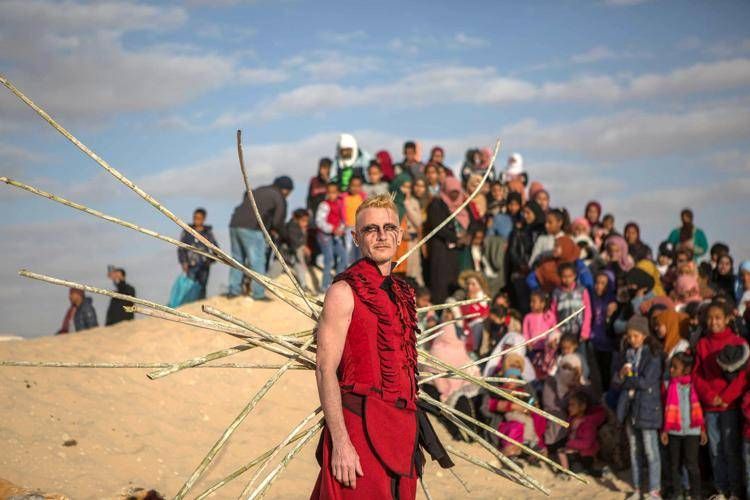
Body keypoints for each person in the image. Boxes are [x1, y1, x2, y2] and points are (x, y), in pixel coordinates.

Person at [311, 194, 453, 499]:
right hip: (358, 431)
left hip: (401, 434)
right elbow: (325, 370)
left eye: (389, 228)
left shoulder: (406, 293)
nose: (381, 236)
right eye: (371, 229)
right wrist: (341, 443)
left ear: (400, 235)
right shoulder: (342, 292)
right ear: (356, 238)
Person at [693, 300, 747, 499]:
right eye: (710, 318)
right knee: (715, 450)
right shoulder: (702, 344)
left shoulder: (738, 343)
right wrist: (710, 397)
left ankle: (734, 491)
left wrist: (725, 398)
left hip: (730, 406)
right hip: (710, 407)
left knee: (731, 450)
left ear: (727, 319)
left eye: (717, 317)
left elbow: (743, 378)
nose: (713, 322)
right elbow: (696, 375)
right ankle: (721, 489)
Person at [612, 315, 663, 500]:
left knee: (651, 450)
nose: (632, 339)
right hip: (630, 408)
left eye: (635, 336)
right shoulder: (626, 355)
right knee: (634, 450)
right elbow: (616, 383)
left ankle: (654, 489)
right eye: (629, 336)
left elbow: (645, 382)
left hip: (648, 408)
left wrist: (627, 379)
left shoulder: (653, 355)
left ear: (644, 335)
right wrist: (621, 374)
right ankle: (637, 487)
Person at [228, 176, 293, 300]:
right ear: (286, 190)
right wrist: (285, 237)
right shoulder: (279, 197)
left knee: (237, 259)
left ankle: (233, 291)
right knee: (257, 260)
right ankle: (258, 293)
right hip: (252, 228)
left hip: (234, 224)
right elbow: (278, 221)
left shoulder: (261, 190)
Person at [660, 352, 706, 500]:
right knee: (675, 464)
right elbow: (664, 409)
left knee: (692, 464)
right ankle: (678, 492)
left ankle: (696, 493)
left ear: (686, 369)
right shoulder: (668, 385)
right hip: (674, 431)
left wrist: (702, 430)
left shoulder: (695, 385)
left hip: (693, 431)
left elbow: (700, 409)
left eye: (675, 367)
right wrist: (665, 431)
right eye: (670, 367)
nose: (671, 370)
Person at [424, 177, 468, 303]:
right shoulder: (436, 204)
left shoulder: (461, 205)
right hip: (440, 251)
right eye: (451, 191)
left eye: (457, 191)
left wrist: (466, 236)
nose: (454, 195)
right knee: (440, 283)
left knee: (453, 283)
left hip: (454, 253)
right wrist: (456, 238)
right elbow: (437, 226)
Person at [560, 390, 606, 475]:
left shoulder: (588, 423)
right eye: (569, 405)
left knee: (577, 468)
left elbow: (586, 444)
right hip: (575, 451)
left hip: (585, 454)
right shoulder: (572, 420)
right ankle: (566, 472)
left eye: (573, 405)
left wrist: (570, 444)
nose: (569, 408)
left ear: (582, 406)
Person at [178, 207, 219, 300]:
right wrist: (184, 262)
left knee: (202, 287)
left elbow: (215, 248)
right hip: (191, 265)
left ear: (204, 219)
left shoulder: (207, 233)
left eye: (199, 218)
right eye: (195, 218)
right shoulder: (188, 232)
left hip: (204, 265)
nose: (197, 220)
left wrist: (211, 260)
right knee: (189, 286)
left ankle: (200, 306)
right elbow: (181, 248)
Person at [391, 173, 423, 286]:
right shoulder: (390, 202)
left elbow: (418, 222)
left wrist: (406, 204)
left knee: (411, 276)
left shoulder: (413, 202)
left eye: (409, 187)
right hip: (395, 244)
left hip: (410, 243)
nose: (406, 190)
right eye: (404, 186)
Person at [315, 182, 347, 292]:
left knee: (344, 256)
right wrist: (333, 229)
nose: (331, 195)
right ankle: (324, 286)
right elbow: (319, 221)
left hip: (335, 236)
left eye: (334, 192)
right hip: (325, 235)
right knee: (329, 259)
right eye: (329, 192)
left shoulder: (339, 204)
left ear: (338, 193)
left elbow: (341, 220)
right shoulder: (324, 205)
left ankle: (336, 282)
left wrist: (341, 229)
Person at [590, 271, 617, 390]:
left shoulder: (612, 300)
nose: (599, 286)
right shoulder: (594, 298)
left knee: (607, 371)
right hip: (595, 340)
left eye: (603, 283)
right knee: (598, 372)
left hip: (608, 343)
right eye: (597, 282)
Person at [286, 208, 314, 293]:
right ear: (297, 219)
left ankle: (304, 285)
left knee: (300, 265)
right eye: (303, 220)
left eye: (307, 221)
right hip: (287, 253)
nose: (305, 223)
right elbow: (294, 242)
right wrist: (303, 247)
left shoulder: (302, 228)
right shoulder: (291, 226)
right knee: (273, 273)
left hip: (294, 256)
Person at [342, 176, 366, 264]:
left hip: (360, 227)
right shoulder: (344, 198)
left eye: (358, 186)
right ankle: (350, 269)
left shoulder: (363, 197)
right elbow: (342, 212)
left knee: (360, 249)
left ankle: (359, 269)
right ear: (349, 186)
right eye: (353, 185)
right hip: (348, 228)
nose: (355, 188)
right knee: (349, 250)